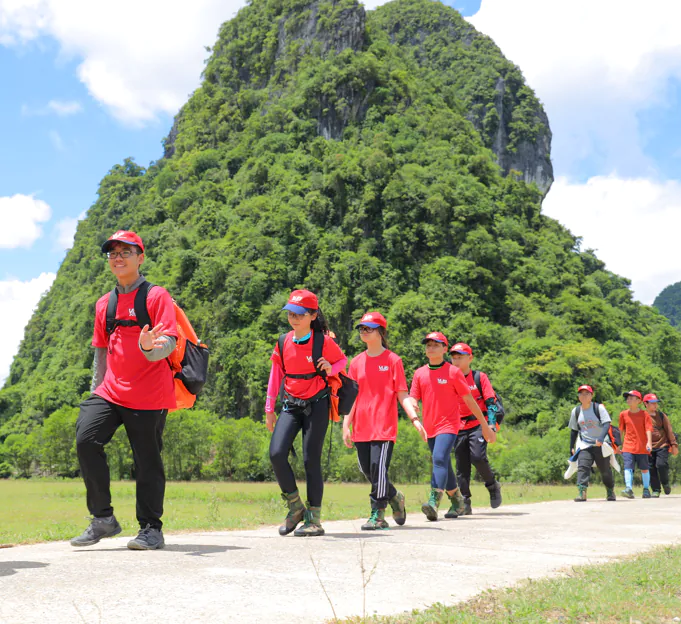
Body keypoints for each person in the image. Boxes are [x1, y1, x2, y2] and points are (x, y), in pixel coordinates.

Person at [71, 231, 178, 550]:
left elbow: (169, 342)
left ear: (140, 258)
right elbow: (101, 352)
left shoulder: (157, 296)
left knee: (147, 461)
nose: (118, 257)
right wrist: (95, 392)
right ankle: (103, 519)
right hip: (111, 391)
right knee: (86, 439)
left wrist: (149, 347)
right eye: (112, 253)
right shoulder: (105, 303)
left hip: (149, 394)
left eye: (125, 252)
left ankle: (150, 529)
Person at [265, 289, 347, 537]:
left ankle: (314, 519)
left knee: (311, 461)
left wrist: (331, 367)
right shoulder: (283, 341)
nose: (294, 318)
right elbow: (276, 375)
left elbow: (343, 362)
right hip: (291, 404)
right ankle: (295, 507)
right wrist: (270, 408)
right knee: (277, 453)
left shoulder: (323, 341)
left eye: (300, 314)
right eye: (291, 313)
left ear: (312, 315)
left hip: (318, 404)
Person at [342, 312, 426, 530]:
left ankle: (377, 514)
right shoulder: (356, 362)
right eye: (361, 328)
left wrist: (415, 419)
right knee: (367, 469)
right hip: (361, 426)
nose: (363, 332)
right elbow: (351, 396)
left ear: (380, 331)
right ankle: (395, 496)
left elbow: (402, 394)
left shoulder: (392, 360)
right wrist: (345, 424)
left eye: (368, 328)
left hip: (384, 426)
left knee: (378, 468)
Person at [410, 332, 493, 520]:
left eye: (436, 345)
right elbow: (413, 396)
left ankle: (433, 501)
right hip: (429, 426)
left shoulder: (453, 372)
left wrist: (485, 424)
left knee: (439, 458)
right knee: (444, 465)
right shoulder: (419, 373)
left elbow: (470, 400)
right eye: (428, 345)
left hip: (449, 424)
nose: (431, 348)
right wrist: (413, 405)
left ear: (445, 349)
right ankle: (458, 501)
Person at [449, 343, 499, 514]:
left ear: (470, 358)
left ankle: (492, 485)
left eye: (460, 357)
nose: (456, 361)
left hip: (479, 423)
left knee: (477, 457)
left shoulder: (479, 377)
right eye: (454, 357)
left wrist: (491, 425)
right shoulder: (448, 378)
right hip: (458, 425)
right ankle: (465, 502)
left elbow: (491, 402)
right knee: (461, 465)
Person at [568, 385, 616, 502]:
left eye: (586, 394)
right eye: (581, 394)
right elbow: (574, 430)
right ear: (578, 396)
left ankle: (610, 491)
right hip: (585, 444)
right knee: (582, 467)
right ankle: (582, 492)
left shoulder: (598, 408)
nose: (584, 396)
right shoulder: (576, 411)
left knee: (604, 470)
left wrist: (600, 438)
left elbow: (606, 424)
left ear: (591, 395)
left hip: (601, 444)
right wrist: (571, 447)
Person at [619, 390, 653, 499]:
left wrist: (649, 442)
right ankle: (628, 488)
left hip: (642, 446)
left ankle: (646, 489)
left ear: (639, 401)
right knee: (628, 467)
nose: (628, 399)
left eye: (631, 398)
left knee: (644, 468)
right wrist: (618, 444)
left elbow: (648, 429)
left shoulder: (645, 414)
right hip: (628, 445)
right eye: (627, 398)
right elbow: (621, 430)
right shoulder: (623, 414)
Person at [643, 393, 678, 497]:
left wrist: (674, 445)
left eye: (656, 403)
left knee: (661, 465)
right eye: (652, 403)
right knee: (651, 468)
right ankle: (656, 489)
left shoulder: (661, 416)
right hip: (648, 447)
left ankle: (665, 482)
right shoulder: (642, 416)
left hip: (662, 445)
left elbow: (669, 430)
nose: (655, 405)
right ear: (646, 404)